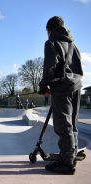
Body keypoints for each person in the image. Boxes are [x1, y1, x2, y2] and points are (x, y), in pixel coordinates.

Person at [39, 16, 83, 175]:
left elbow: (49, 67)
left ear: (49, 30)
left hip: (62, 87)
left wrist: (43, 85)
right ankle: (71, 153)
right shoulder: (72, 43)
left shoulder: (51, 42)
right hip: (77, 85)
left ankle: (66, 163)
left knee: (63, 123)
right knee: (72, 122)